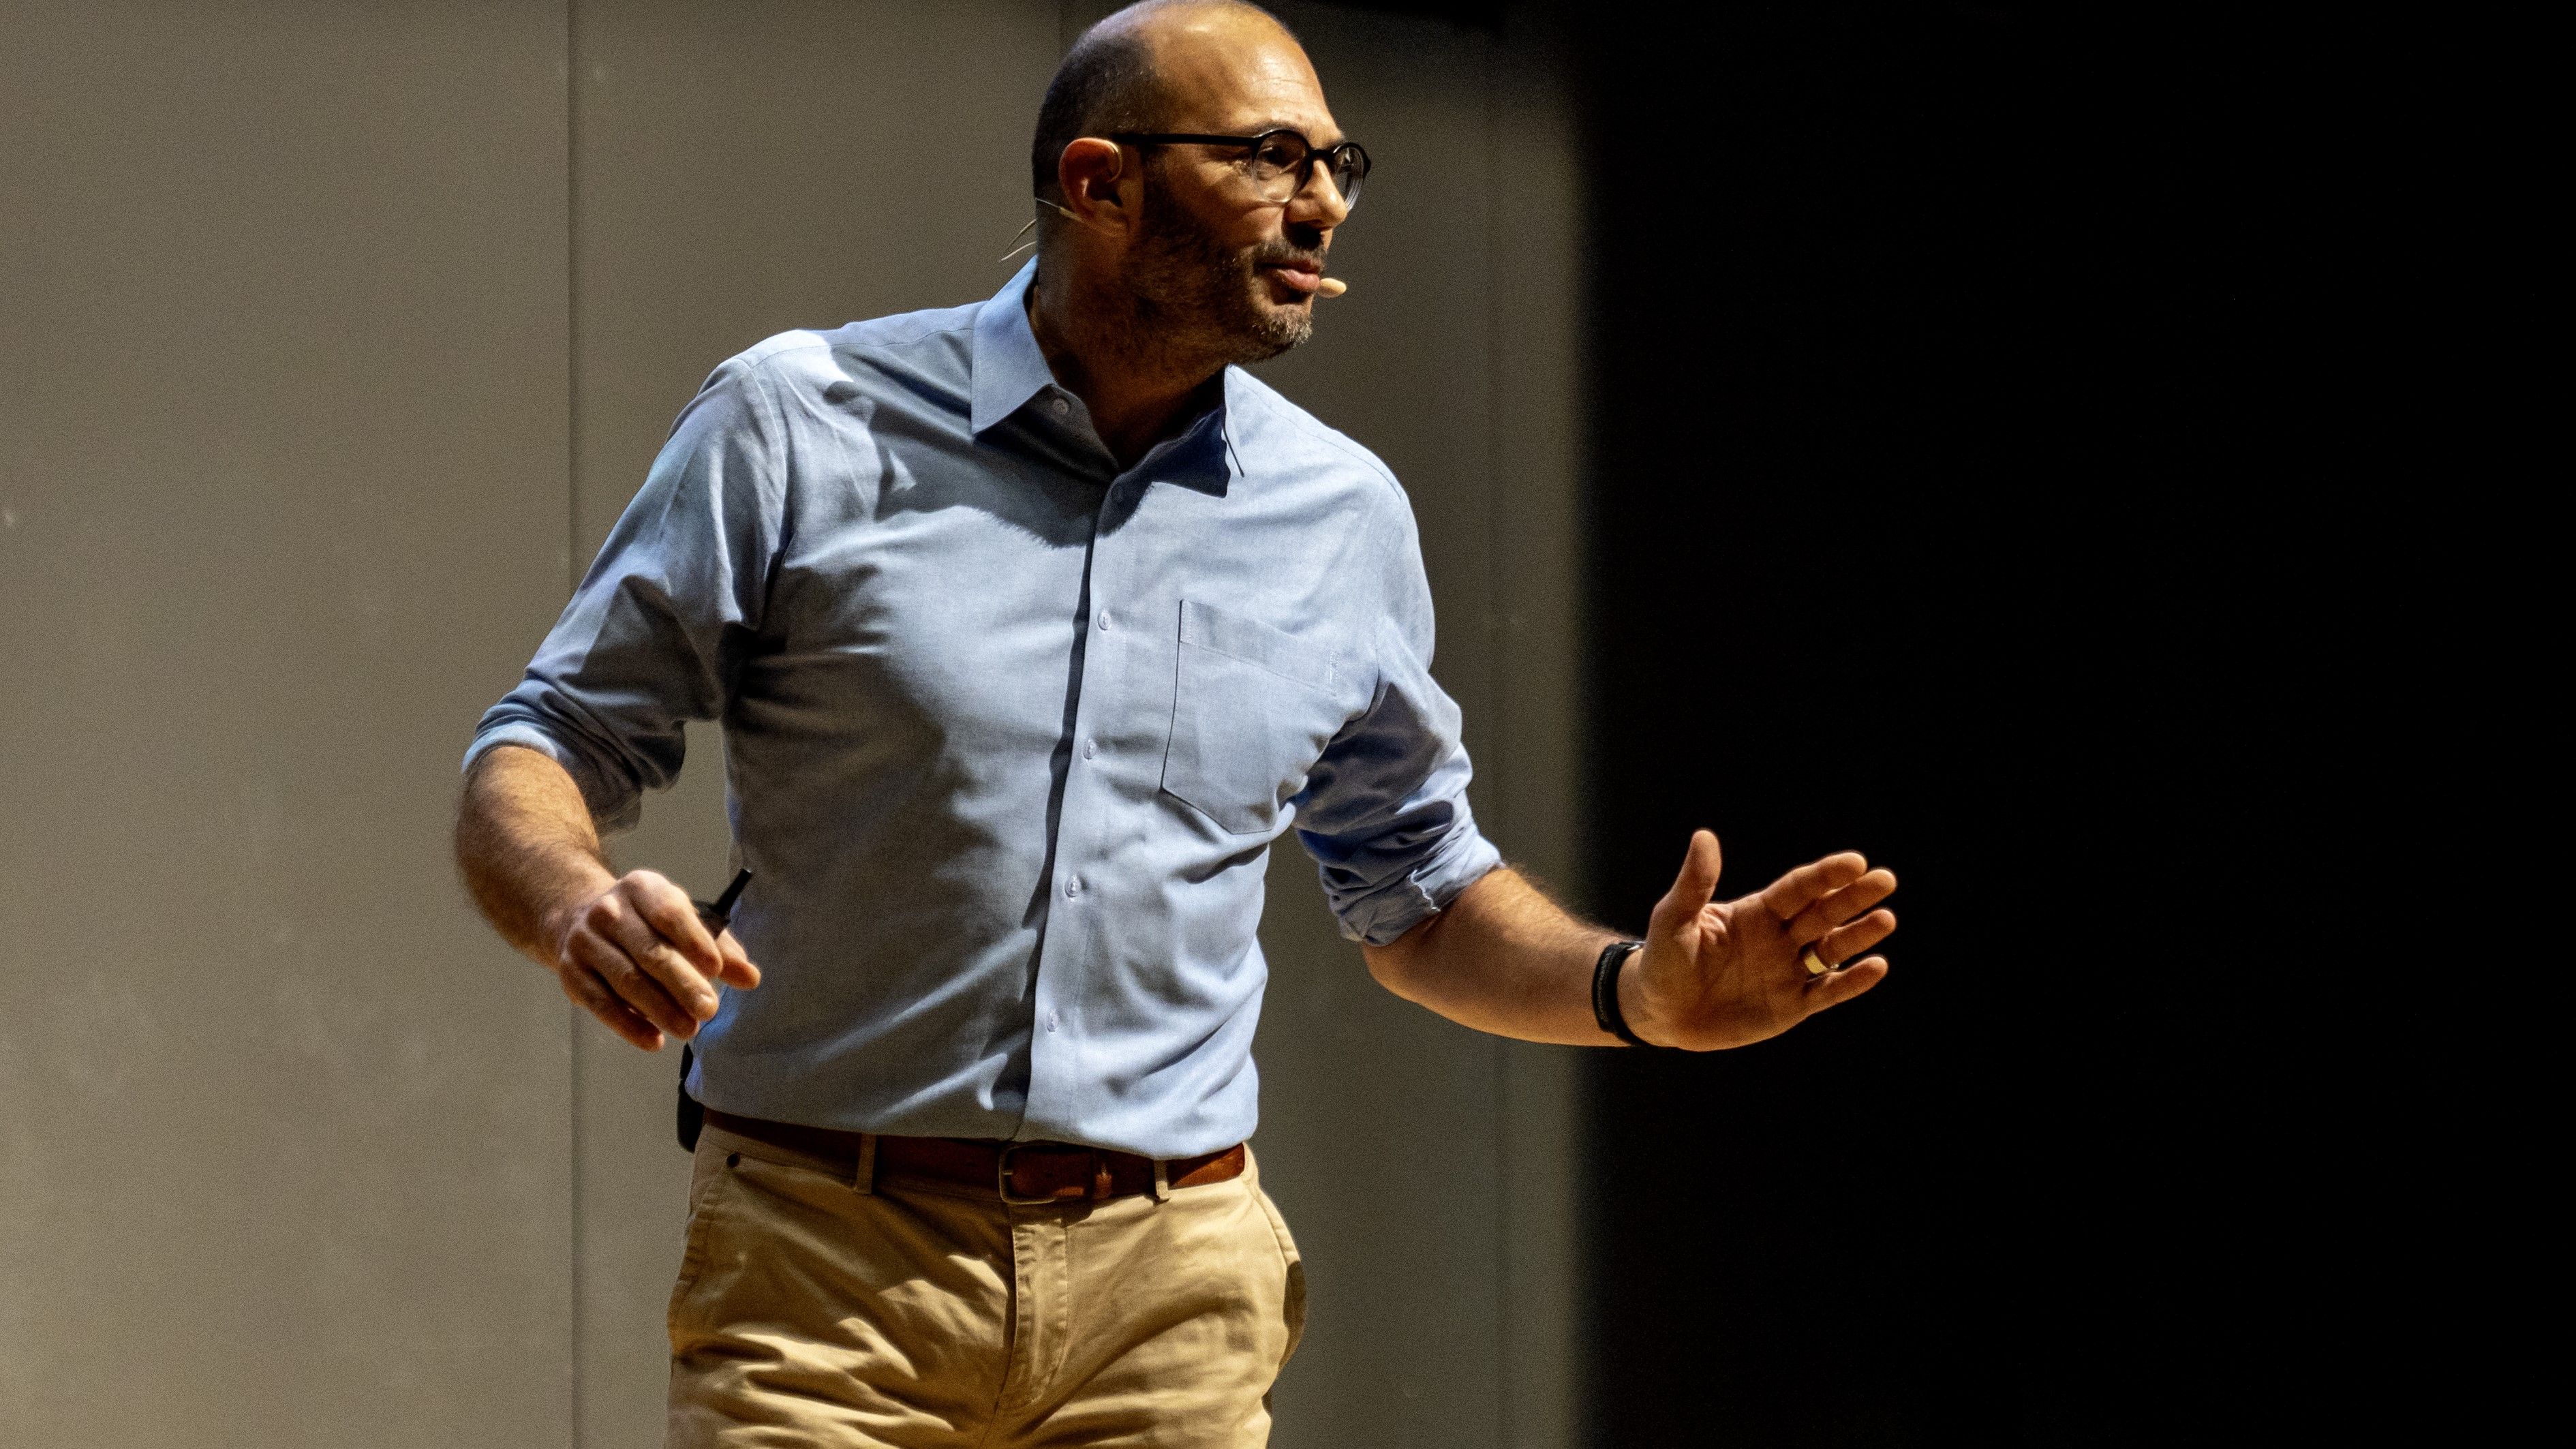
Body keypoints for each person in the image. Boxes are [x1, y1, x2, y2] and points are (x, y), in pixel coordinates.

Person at [454, 2, 1897, 1444]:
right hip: (832, 1273)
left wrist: (1633, 993)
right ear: (1101, 182)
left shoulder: (1341, 515)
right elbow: (542, 741)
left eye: (1339, 163)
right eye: (1272, 157)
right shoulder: (801, 423)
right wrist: (576, 900)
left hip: (1171, 1298)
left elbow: (1419, 893)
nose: (1324, 203)